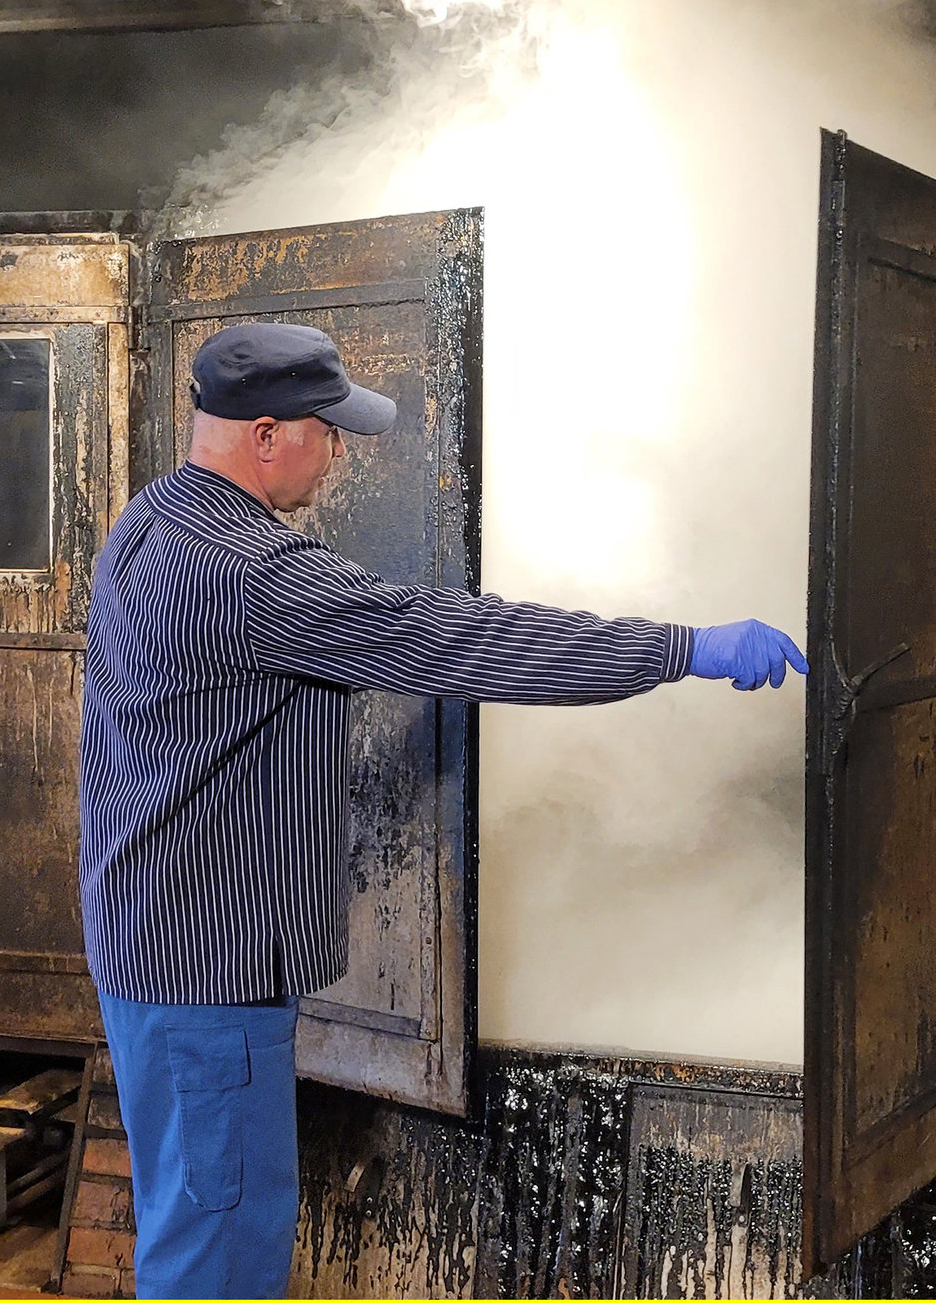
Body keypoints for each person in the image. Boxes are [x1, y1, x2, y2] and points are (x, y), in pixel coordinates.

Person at [77, 321, 806, 1299]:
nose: (336, 452)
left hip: (154, 943)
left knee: (198, 1215)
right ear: (262, 434)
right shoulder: (252, 572)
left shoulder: (155, 516)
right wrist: (680, 650)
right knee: (219, 1248)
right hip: (205, 974)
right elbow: (460, 639)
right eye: (324, 430)